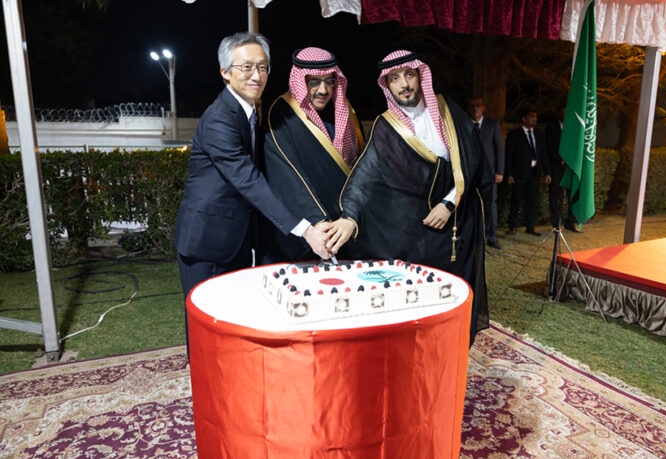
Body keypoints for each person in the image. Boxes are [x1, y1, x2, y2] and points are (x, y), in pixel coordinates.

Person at [174, 33, 330, 353]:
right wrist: (305, 230)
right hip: (206, 243)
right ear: (225, 72)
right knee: (206, 333)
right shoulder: (220, 118)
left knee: (232, 330)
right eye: (246, 67)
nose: (256, 75)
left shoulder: (249, 112)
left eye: (262, 67)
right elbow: (248, 181)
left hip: (238, 241)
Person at [325, 50, 490, 345]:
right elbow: (366, 174)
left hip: (456, 222)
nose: (404, 84)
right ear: (387, 85)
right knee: (419, 298)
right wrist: (349, 216)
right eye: (395, 79)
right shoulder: (387, 126)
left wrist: (449, 203)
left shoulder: (447, 110)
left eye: (409, 75)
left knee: (454, 295)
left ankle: (450, 351)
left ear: (420, 76)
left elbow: (473, 160)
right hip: (418, 230)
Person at [262, 47, 363, 262]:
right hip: (308, 233)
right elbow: (288, 176)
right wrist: (318, 221)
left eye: (329, 81)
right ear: (300, 81)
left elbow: (360, 168)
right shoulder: (281, 113)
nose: (323, 90)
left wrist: (351, 216)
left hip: (346, 228)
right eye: (314, 82)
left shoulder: (344, 110)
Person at [505, 108, 551, 236]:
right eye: (531, 117)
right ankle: (512, 226)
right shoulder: (514, 134)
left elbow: (544, 154)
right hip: (519, 174)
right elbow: (509, 155)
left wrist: (547, 172)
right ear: (524, 119)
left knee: (532, 201)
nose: (535, 119)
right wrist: (509, 173)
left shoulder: (539, 134)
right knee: (516, 200)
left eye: (535, 117)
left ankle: (530, 227)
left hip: (534, 173)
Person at [467, 96, 505, 250]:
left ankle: (492, 237)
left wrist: (500, 171)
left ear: (483, 107)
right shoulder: (463, 124)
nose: (475, 108)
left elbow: (499, 149)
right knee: (470, 207)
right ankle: (473, 237)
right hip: (470, 175)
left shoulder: (492, 125)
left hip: (490, 175)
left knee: (490, 207)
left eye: (478, 105)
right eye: (472, 105)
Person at [546, 106, 581, 232]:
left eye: (567, 113)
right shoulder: (551, 128)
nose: (564, 115)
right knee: (555, 196)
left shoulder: (574, 128)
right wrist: (560, 159)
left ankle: (571, 222)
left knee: (573, 195)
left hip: (570, 168)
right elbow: (549, 147)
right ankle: (556, 223)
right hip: (557, 168)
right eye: (562, 113)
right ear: (559, 114)